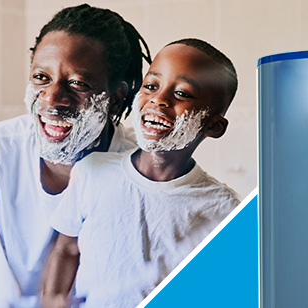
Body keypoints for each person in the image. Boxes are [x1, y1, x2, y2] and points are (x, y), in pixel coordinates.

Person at [0, 4, 150, 307]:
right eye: (41, 77)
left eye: (77, 83)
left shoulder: (138, 172)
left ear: (115, 98)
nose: (51, 98)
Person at [42, 38, 240, 308]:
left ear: (214, 126)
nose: (158, 99)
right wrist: (54, 301)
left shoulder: (224, 208)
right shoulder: (93, 171)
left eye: (182, 93)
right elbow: (66, 249)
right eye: (151, 86)